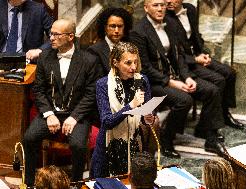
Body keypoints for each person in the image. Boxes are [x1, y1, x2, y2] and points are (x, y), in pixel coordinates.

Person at [130, 0, 225, 157]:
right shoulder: (139, 32)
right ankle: (166, 140)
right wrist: (172, 82)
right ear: (146, 8)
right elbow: (145, 68)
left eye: (162, 5)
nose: (160, 9)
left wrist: (187, 78)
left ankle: (210, 137)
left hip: (177, 76)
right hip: (154, 82)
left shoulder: (170, 23)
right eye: (155, 5)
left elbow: (179, 56)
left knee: (212, 90)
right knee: (184, 100)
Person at [23, 18, 99, 186]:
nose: (51, 38)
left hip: (76, 114)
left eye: (56, 35)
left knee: (78, 145)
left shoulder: (88, 60)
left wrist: (74, 117)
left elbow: (90, 94)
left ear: (70, 36)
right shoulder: (45, 57)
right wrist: (49, 114)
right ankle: (29, 183)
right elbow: (39, 90)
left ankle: (76, 183)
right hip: (51, 112)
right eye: (51, 34)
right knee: (29, 138)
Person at [165, 0, 245, 132]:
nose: (168, 1)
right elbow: (173, 54)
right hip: (185, 62)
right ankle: (204, 127)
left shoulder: (190, 9)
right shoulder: (165, 18)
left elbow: (196, 35)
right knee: (218, 80)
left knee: (230, 73)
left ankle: (224, 113)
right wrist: (195, 59)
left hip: (197, 55)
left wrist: (203, 54)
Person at [89, 42, 155, 178]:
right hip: (108, 147)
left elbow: (144, 115)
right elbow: (107, 122)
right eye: (128, 63)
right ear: (115, 63)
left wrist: (148, 118)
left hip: (135, 144)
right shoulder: (103, 84)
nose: (133, 67)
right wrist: (130, 106)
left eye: (136, 62)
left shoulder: (142, 81)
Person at [87, 7, 133, 77]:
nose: (116, 30)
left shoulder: (131, 46)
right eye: (112, 26)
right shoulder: (94, 50)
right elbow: (98, 80)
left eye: (120, 26)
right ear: (105, 27)